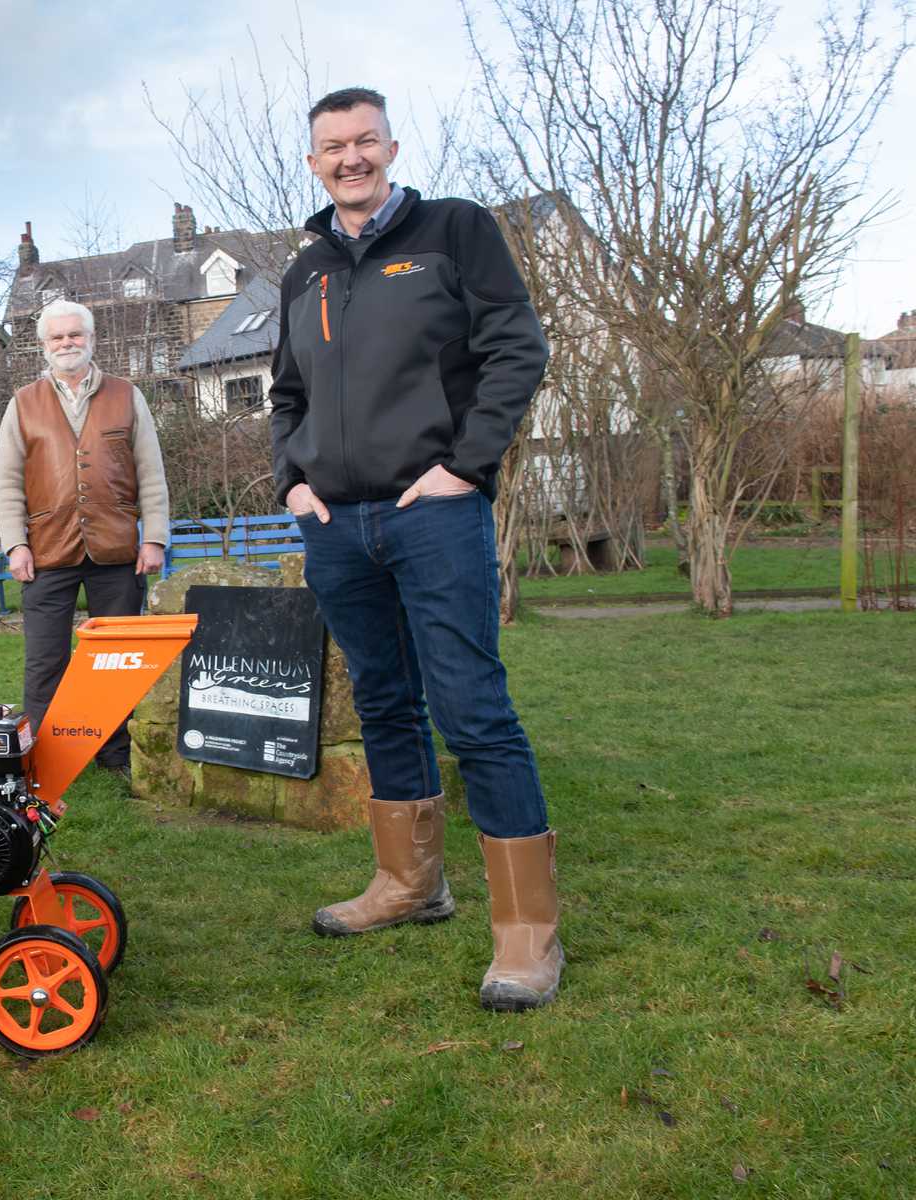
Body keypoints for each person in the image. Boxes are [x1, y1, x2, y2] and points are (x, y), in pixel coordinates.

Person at [269, 87, 562, 1011]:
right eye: (331, 146)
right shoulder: (303, 272)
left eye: (364, 141)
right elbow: (284, 397)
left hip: (432, 511)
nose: (350, 158)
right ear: (312, 161)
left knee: (472, 710)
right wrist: (293, 484)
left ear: (391, 145)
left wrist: (467, 467)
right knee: (387, 706)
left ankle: (527, 935)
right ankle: (410, 884)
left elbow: (518, 347)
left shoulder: (454, 230)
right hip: (337, 524)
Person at [0, 298, 169, 774]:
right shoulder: (23, 402)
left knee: (117, 663)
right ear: (43, 345)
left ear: (92, 340)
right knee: (44, 662)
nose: (67, 343)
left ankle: (116, 755)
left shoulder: (127, 394)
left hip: (117, 550)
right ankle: (43, 760)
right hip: (47, 549)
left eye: (75, 335)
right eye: (57, 337)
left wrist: (153, 537)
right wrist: (15, 544)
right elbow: (7, 481)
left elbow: (150, 472)